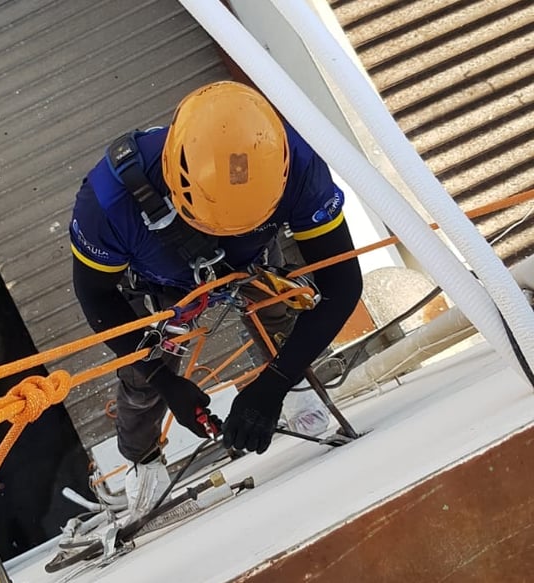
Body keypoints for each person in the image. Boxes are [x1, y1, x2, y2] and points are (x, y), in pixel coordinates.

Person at [69, 81, 362, 515]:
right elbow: (95, 295)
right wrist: (166, 383)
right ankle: (142, 460)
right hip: (159, 277)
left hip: (253, 257)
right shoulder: (108, 201)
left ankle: (299, 387)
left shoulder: (296, 164)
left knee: (278, 307)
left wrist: (274, 384)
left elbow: (342, 284)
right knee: (144, 369)